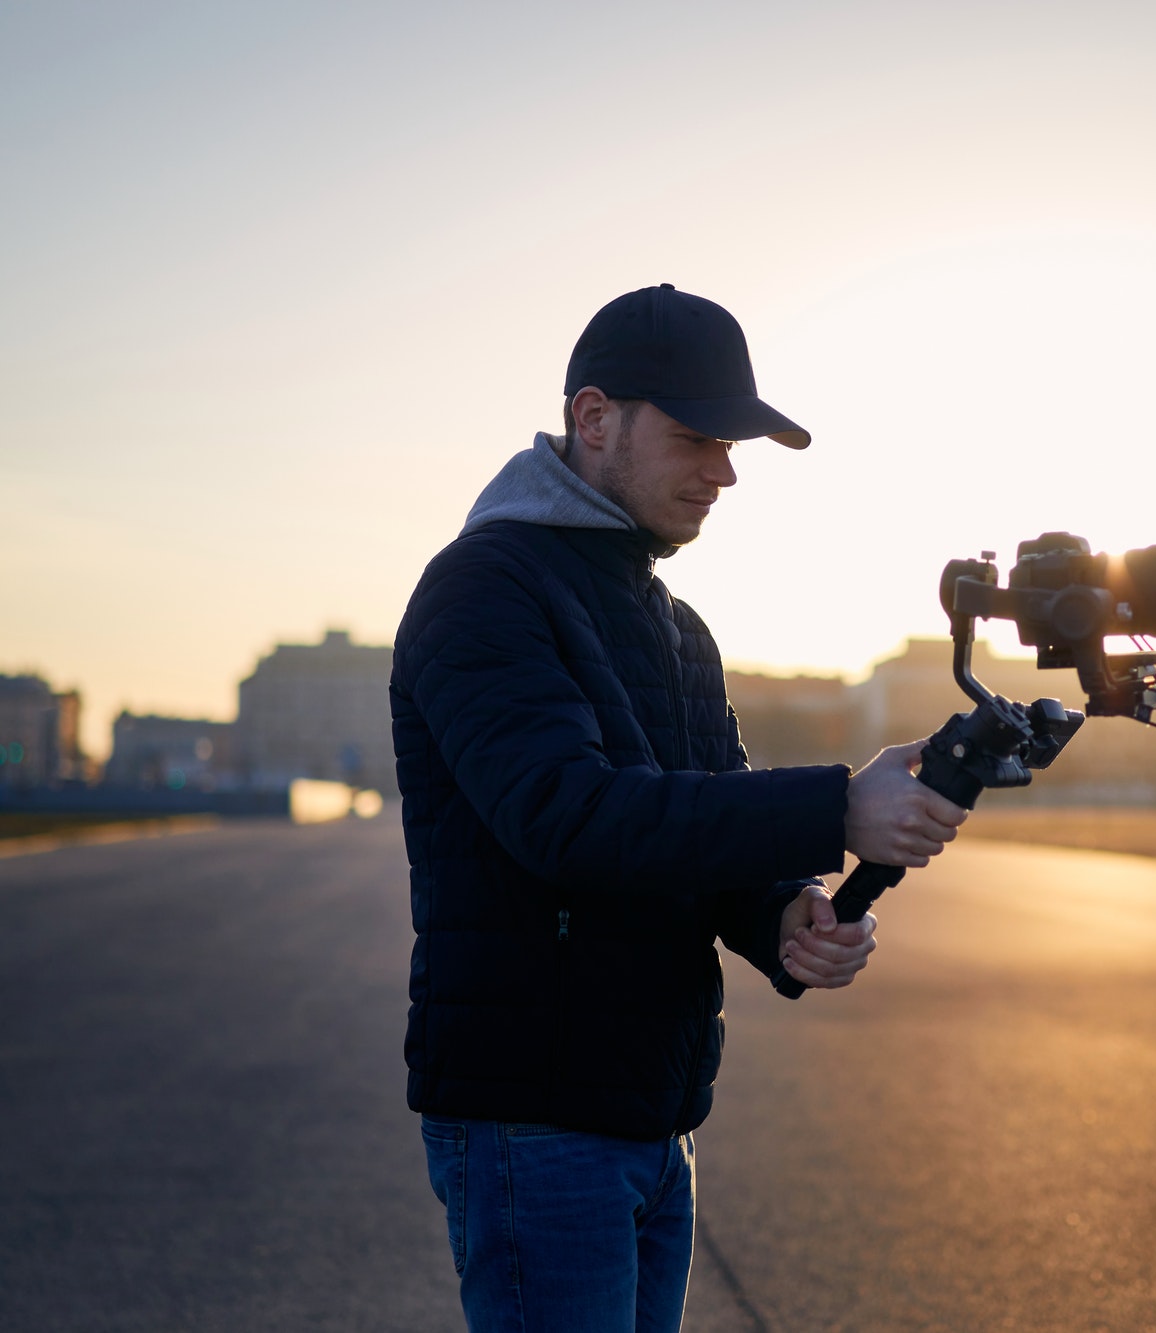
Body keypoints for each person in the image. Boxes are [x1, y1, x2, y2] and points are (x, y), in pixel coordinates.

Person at [390, 284, 968, 1332]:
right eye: (700, 436)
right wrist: (838, 807)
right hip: (533, 1121)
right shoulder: (482, 587)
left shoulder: (675, 623)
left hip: (653, 1117)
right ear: (594, 419)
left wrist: (784, 916)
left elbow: (705, 825)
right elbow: (568, 818)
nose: (726, 470)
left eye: (733, 442)